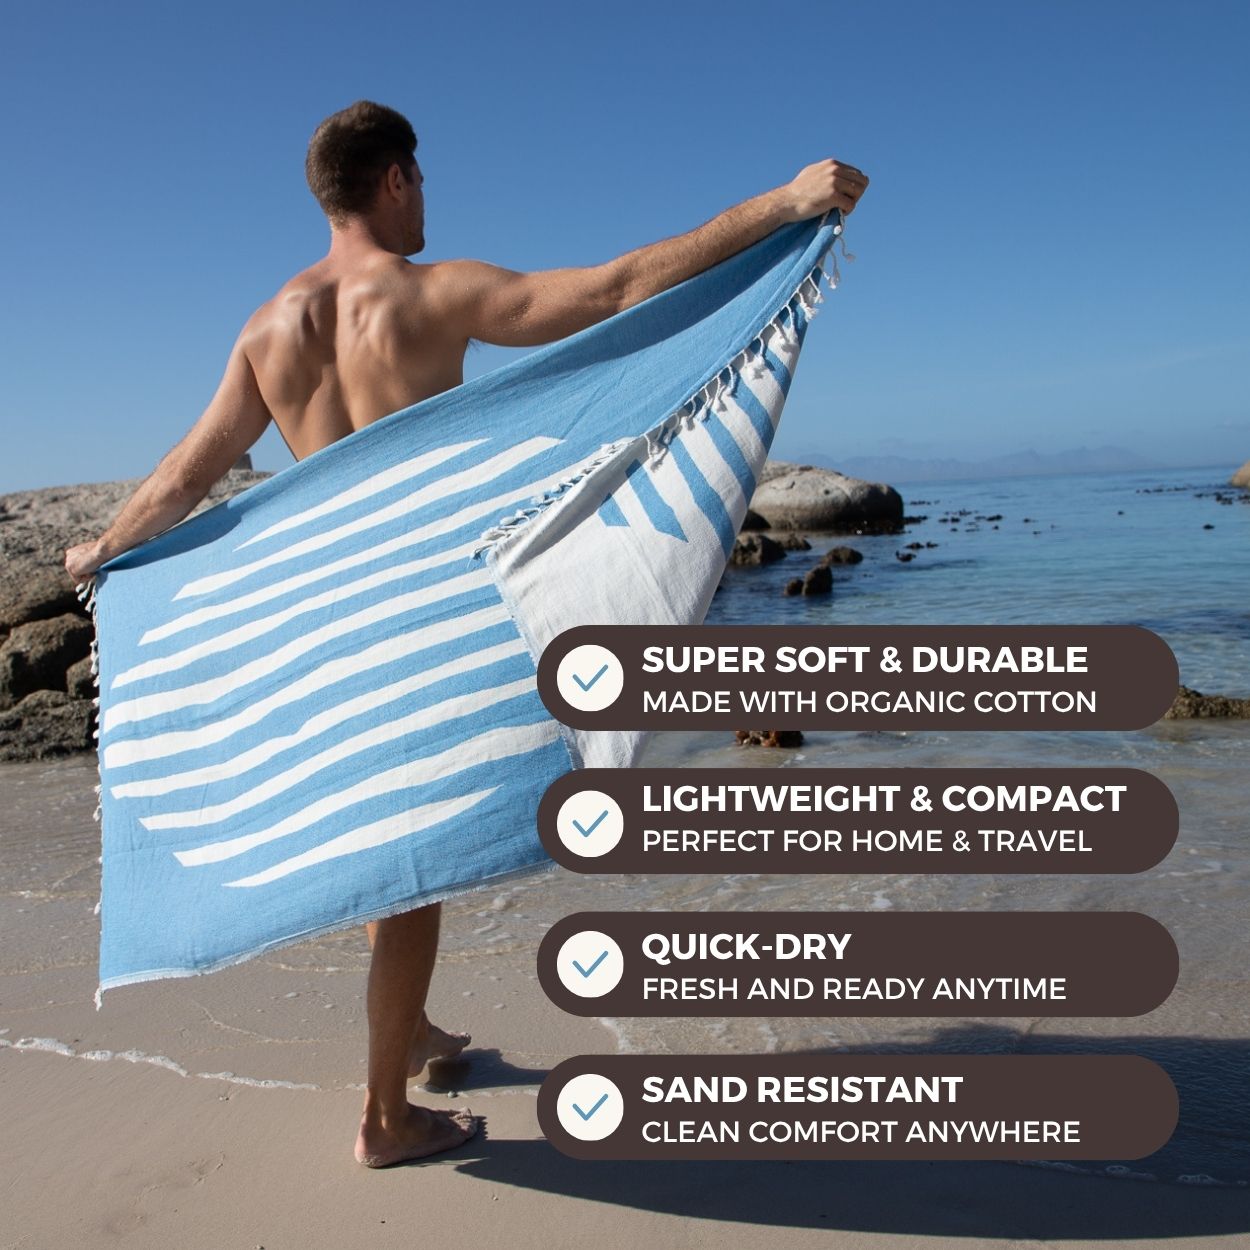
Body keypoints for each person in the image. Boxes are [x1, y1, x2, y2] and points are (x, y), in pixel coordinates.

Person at [63, 99, 869, 1167]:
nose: (428, 199)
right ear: (393, 179)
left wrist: (99, 552)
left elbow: (181, 479)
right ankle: (382, 1115)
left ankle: (421, 1032)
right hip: (431, 613)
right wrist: (779, 206)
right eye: (422, 178)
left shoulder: (266, 331)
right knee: (419, 856)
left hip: (336, 620)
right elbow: (618, 289)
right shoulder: (433, 296)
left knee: (397, 854)